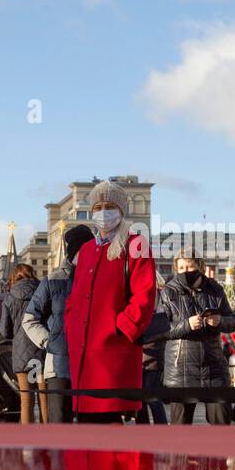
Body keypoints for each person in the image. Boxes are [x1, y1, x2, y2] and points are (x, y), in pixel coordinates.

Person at [64, 179, 156, 423]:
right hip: (84, 353)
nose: (103, 211)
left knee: (109, 424)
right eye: (97, 207)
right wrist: (71, 323)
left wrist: (120, 327)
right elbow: (75, 296)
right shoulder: (85, 250)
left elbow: (145, 295)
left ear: (121, 210)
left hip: (114, 351)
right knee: (85, 428)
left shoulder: (136, 244)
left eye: (109, 205)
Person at [23, 225, 93, 423]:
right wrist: (49, 341)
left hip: (92, 365)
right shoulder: (52, 280)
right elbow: (30, 319)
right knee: (60, 426)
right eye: (83, 250)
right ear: (73, 252)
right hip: (59, 366)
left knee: (91, 429)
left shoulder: (98, 278)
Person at [159, 253, 235, 425]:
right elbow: (161, 329)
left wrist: (219, 321)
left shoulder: (215, 289)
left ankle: (220, 453)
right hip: (181, 372)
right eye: (181, 268)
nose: (185, 271)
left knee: (222, 426)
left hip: (214, 369)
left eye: (189, 267)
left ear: (201, 268)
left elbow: (233, 321)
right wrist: (186, 325)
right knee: (181, 432)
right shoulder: (167, 292)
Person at [0, 262, 44, 423]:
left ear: (14, 277)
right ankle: (49, 442)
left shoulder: (10, 297)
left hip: (21, 352)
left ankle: (28, 444)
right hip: (42, 350)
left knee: (26, 402)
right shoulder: (43, 292)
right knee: (44, 400)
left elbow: (5, 332)